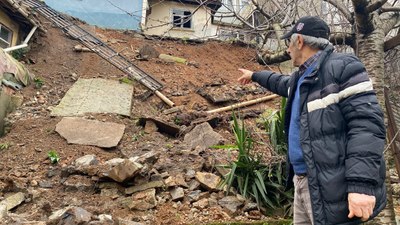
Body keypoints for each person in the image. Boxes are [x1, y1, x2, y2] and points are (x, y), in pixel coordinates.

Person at [238, 16, 386, 225]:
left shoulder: (342, 67)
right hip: (303, 181)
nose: (288, 49)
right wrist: (254, 75)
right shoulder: (302, 78)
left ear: (299, 41)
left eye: (289, 43)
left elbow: (367, 127)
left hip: (332, 185)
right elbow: (280, 83)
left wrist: (361, 186)